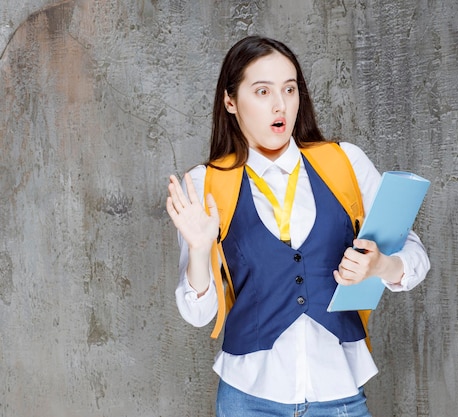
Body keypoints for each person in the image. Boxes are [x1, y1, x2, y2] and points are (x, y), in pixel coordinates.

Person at [166, 35, 430, 417]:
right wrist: (200, 250)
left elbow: (414, 253)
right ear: (230, 101)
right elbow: (197, 314)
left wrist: (381, 266)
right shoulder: (204, 184)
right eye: (262, 91)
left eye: (290, 89)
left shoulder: (345, 163)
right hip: (247, 399)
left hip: (339, 394)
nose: (280, 105)